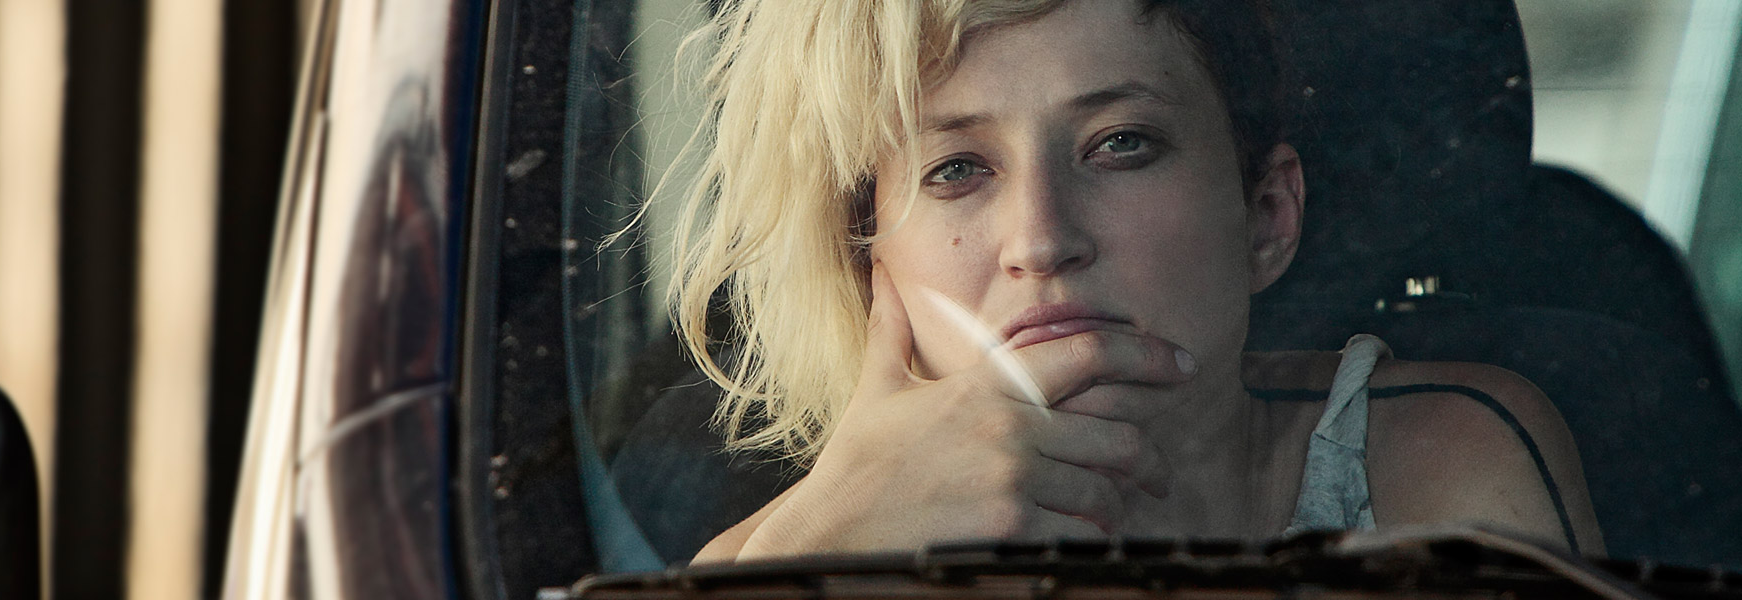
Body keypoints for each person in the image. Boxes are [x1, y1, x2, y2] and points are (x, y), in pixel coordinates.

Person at [646, 0, 1607, 561]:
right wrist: (822, 551)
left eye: (1121, 145)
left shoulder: (1444, 457)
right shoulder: (772, 562)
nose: (1041, 240)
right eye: (956, 169)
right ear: (868, 262)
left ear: (1266, 217)